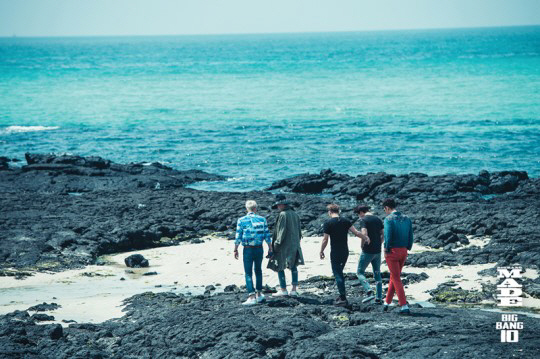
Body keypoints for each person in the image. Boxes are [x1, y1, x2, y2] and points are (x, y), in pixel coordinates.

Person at [320, 203, 370, 306]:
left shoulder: (328, 223)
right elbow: (356, 232)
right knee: (340, 272)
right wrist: (365, 238)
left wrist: (321, 251)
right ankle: (341, 295)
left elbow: (325, 239)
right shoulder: (345, 221)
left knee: (337, 273)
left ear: (329, 212)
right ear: (339, 211)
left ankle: (342, 297)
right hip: (345, 251)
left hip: (335, 251)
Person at [234, 200, 272, 305]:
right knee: (258, 270)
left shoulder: (241, 220)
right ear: (256, 208)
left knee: (248, 273)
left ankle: (252, 297)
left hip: (248, 249)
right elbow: (267, 235)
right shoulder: (262, 219)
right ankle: (259, 294)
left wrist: (235, 249)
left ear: (247, 209)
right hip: (259, 248)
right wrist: (270, 248)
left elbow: (238, 236)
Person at [267, 194, 304, 297]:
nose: (278, 207)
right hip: (295, 244)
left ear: (283, 204)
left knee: (279, 266)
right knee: (293, 266)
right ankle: (294, 290)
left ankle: (283, 289)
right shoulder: (294, 214)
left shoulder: (283, 214)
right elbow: (299, 231)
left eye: (278, 205)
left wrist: (276, 245)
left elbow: (281, 232)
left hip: (284, 245)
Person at [382, 198, 414, 315]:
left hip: (392, 251)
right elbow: (410, 234)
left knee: (396, 278)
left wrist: (386, 249)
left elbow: (388, 236)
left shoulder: (388, 219)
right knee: (394, 276)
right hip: (404, 250)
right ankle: (387, 302)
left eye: (384, 209)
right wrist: (408, 247)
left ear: (387, 208)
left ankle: (404, 305)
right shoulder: (407, 218)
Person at [354, 204, 384, 304]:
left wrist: (362, 244)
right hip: (378, 250)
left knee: (360, 272)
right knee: (377, 273)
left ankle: (369, 290)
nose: (359, 216)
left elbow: (364, 233)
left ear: (361, 212)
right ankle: (378, 297)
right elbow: (383, 234)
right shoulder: (378, 219)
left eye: (358, 214)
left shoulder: (363, 220)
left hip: (368, 250)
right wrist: (379, 243)